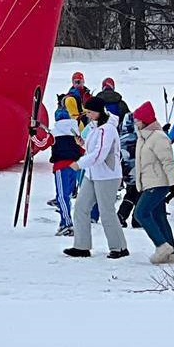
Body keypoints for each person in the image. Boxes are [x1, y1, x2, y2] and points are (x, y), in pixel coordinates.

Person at [64, 97, 130, 259]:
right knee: (80, 207)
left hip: (107, 175)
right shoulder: (95, 126)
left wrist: (79, 164)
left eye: (90, 112)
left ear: (99, 112)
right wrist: (83, 143)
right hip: (93, 174)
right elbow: (93, 148)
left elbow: (100, 154)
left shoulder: (108, 129)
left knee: (106, 211)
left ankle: (119, 247)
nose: (87, 115)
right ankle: (81, 246)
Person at [131, 101, 174, 264]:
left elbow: (168, 162)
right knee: (158, 215)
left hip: (158, 183)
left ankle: (161, 246)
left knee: (141, 213)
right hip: (149, 182)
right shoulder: (143, 137)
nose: (135, 123)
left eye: (137, 119)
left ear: (145, 120)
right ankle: (171, 252)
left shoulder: (158, 137)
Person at [49, 108, 83, 236]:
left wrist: (33, 135)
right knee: (67, 195)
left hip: (61, 166)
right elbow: (82, 150)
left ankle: (66, 223)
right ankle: (66, 221)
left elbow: (41, 144)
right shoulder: (75, 131)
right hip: (74, 166)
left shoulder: (54, 132)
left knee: (61, 196)